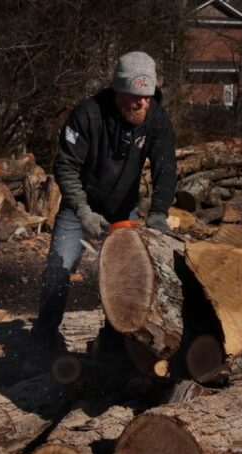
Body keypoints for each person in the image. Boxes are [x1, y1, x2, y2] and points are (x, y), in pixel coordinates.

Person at [31, 51, 177, 347]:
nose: (142, 103)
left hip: (124, 207)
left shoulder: (156, 117)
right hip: (79, 207)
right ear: (118, 91)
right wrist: (83, 212)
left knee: (127, 279)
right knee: (58, 270)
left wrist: (159, 213)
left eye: (147, 96)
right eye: (135, 97)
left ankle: (116, 341)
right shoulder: (87, 115)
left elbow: (166, 166)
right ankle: (44, 335)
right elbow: (66, 166)